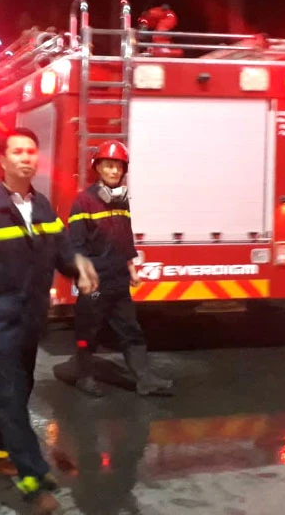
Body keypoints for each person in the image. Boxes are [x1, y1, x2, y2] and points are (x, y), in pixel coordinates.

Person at [0, 128, 98, 514]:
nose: (26, 158)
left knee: (18, 387)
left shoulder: (43, 206)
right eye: (17, 152)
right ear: (2, 159)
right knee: (12, 396)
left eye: (31, 151)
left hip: (31, 315)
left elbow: (62, 250)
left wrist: (78, 266)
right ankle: (33, 479)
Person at [66, 140, 173, 397]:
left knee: (130, 330)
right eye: (109, 165)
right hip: (95, 281)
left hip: (118, 279)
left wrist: (131, 267)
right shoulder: (83, 201)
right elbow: (75, 244)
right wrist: (83, 275)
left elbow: (125, 238)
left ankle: (145, 379)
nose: (114, 171)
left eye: (119, 166)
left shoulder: (121, 201)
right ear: (98, 168)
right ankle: (84, 376)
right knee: (88, 331)